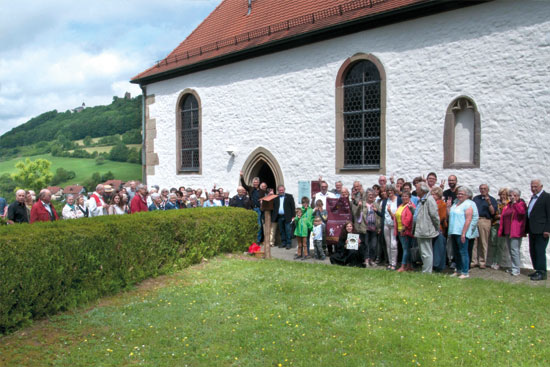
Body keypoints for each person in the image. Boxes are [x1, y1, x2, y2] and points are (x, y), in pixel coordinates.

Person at [447, 186, 479, 279]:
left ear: (467, 195)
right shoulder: (455, 203)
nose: (459, 195)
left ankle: (465, 272)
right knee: (456, 252)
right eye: (458, 193)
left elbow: (468, 219)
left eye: (461, 194)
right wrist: (448, 207)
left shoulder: (469, 204)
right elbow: (450, 215)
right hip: (454, 231)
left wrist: (464, 233)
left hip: (462, 232)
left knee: (463, 252)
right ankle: (458, 270)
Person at [498, 188, 527, 277]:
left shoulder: (521, 204)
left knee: (515, 250)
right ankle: (513, 266)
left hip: (516, 231)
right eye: (510, 195)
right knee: (511, 250)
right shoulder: (508, 205)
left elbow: (522, 212)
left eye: (514, 195)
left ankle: (516, 269)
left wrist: (515, 204)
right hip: (507, 230)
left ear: (518, 196)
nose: (512, 197)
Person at [526, 179, 550, 281]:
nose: (533, 189)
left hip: (542, 230)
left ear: (541, 186)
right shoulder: (533, 198)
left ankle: (542, 272)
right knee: (533, 251)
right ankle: (537, 270)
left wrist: (547, 229)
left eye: (535, 187)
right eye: (532, 187)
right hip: (533, 229)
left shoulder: (546, 197)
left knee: (540, 251)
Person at [413, 183, 440, 274]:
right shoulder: (422, 199)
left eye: (417, 189)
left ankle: (427, 272)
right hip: (421, 229)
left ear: (422, 190)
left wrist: (436, 227)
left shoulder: (429, 199)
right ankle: (426, 270)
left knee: (426, 252)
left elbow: (434, 215)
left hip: (425, 229)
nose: (416, 190)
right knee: (423, 252)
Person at [472, 184, 498, 269]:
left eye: (484, 189)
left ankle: (482, 261)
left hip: (485, 220)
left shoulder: (492, 199)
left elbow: (493, 212)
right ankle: (473, 261)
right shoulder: (476, 198)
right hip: (475, 220)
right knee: (474, 242)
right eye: (481, 188)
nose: (483, 190)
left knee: (483, 241)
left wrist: (489, 203)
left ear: (488, 190)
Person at [488, 188, 510, 270]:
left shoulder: (509, 203)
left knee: (500, 244)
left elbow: (508, 214)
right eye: (501, 194)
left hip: (503, 226)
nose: (502, 196)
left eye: (504, 194)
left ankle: (498, 262)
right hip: (495, 224)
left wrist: (505, 206)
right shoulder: (496, 202)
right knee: (494, 243)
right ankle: (493, 260)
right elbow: (493, 212)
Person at [381, 184, 402, 270]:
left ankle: (394, 263)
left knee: (393, 244)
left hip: (394, 225)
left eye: (391, 190)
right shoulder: (385, 201)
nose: (389, 192)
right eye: (388, 190)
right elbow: (383, 214)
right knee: (388, 244)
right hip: (386, 224)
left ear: (394, 191)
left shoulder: (398, 200)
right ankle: (390, 262)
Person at [395, 191, 416, 272]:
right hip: (399, 229)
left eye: (406, 196)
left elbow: (409, 218)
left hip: (406, 231)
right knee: (406, 248)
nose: (404, 198)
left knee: (406, 249)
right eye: (403, 196)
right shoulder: (401, 205)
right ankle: (409, 265)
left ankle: (403, 266)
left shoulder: (410, 205)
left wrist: (404, 228)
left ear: (409, 197)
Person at [240, 171, 264, 243]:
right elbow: (244, 185)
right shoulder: (250, 189)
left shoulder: (262, 191)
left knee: (259, 225)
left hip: (259, 210)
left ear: (258, 183)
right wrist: (242, 177)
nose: (255, 183)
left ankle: (258, 240)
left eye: (256, 182)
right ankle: (252, 239)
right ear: (253, 183)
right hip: (252, 209)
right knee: (252, 224)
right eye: (254, 182)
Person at [271, 185, 296, 250]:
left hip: (287, 216)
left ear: (284, 190)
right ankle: (283, 243)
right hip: (279, 216)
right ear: (278, 191)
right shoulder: (275, 197)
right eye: (280, 190)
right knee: (281, 230)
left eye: (282, 190)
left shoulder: (289, 196)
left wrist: (293, 216)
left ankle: (288, 243)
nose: (281, 191)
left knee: (288, 230)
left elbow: (293, 207)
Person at [430, 186, 448, 272]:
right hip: (431, 228)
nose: (433, 195)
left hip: (439, 228)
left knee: (439, 247)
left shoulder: (442, 204)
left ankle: (439, 265)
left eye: (434, 194)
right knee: (434, 247)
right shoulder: (431, 203)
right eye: (432, 194)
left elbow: (442, 217)